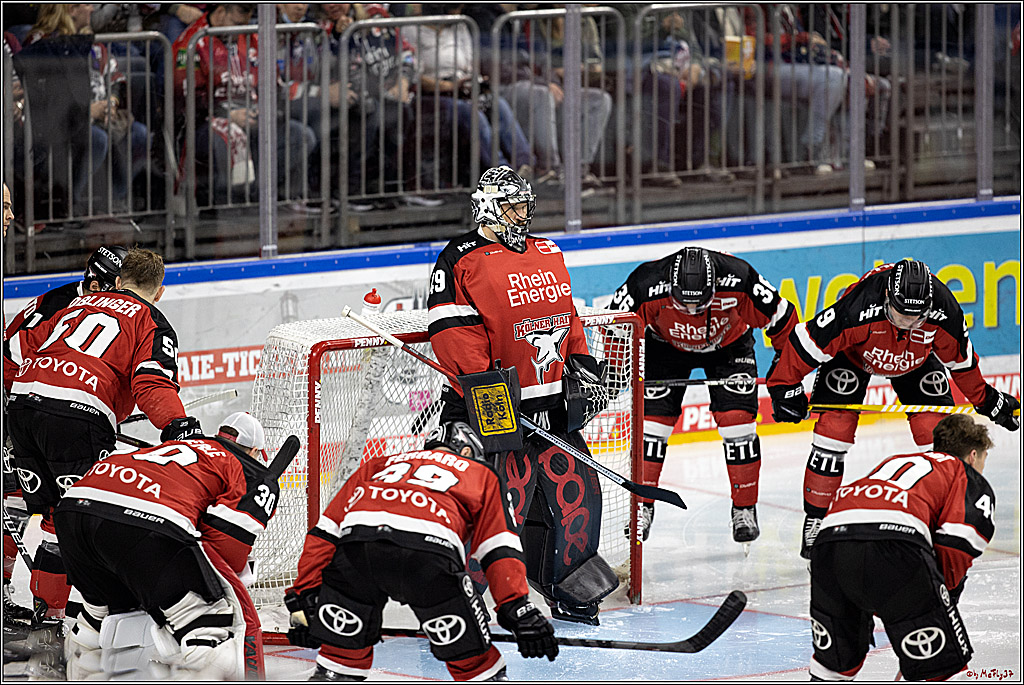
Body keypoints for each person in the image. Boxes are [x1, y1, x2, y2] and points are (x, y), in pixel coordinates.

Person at [425, 165, 618, 626]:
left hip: (551, 408)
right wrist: (491, 395)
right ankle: (459, 600)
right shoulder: (460, 258)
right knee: (487, 504)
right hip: (489, 406)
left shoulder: (548, 250)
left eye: (525, 203)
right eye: (513, 205)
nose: (523, 213)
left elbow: (566, 314)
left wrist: (582, 361)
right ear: (488, 208)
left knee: (577, 496)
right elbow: (454, 334)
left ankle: (570, 587)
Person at [767, 258, 1020, 559]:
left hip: (916, 359)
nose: (907, 323)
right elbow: (803, 342)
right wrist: (785, 387)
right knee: (833, 433)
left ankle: (939, 520)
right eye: (901, 315)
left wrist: (987, 400)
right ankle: (817, 521)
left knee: (939, 435)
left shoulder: (945, 310)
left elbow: (962, 362)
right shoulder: (858, 307)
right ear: (887, 298)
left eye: (916, 318)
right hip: (853, 356)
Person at [3, 247, 200, 630]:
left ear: (118, 279)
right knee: (91, 515)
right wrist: (177, 424)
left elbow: (17, 349)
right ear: (158, 292)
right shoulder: (151, 319)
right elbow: (151, 381)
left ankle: (43, 615)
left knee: (50, 514)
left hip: (21, 407)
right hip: (75, 418)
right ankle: (89, 615)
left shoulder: (76, 304)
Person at [285, 421, 557, 682]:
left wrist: (303, 595)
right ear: (466, 451)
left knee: (339, 659)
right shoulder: (480, 473)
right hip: (428, 558)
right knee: (475, 664)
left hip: (357, 552)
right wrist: (516, 607)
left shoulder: (379, 464)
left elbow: (324, 533)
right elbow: (498, 546)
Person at [54, 412, 283, 680]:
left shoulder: (184, 445)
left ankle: (81, 672)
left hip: (74, 510)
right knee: (211, 627)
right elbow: (224, 547)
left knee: (105, 616)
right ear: (255, 451)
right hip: (142, 523)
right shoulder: (250, 470)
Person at [610, 247, 798, 547]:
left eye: (700, 304)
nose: (693, 311)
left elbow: (783, 317)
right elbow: (615, 328)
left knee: (738, 425)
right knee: (651, 430)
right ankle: (642, 506)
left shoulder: (740, 277)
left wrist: (787, 376)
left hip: (729, 347)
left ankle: (745, 508)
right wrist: (615, 371)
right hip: (665, 349)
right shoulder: (645, 282)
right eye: (684, 304)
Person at [808, 414, 996, 681]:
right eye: (984, 459)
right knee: (936, 669)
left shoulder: (895, 461)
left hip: (828, 544)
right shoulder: (962, 473)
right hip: (893, 547)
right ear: (973, 455)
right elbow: (958, 544)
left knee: (834, 664)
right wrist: (940, 601)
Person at [2, 244, 127, 631]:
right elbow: (13, 356)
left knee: (29, 504)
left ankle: (32, 607)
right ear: (95, 282)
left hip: (29, 408)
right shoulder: (62, 306)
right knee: (27, 502)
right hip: (17, 404)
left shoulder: (87, 304)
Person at [172, 3, 318, 206]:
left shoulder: (252, 38)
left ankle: (261, 202)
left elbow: (276, 88)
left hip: (252, 119)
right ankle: (227, 207)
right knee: (231, 136)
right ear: (221, 12)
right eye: (237, 22)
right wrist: (227, 115)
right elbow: (183, 100)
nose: (242, 29)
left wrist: (266, 110)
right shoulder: (190, 42)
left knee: (301, 136)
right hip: (204, 125)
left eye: (247, 21)